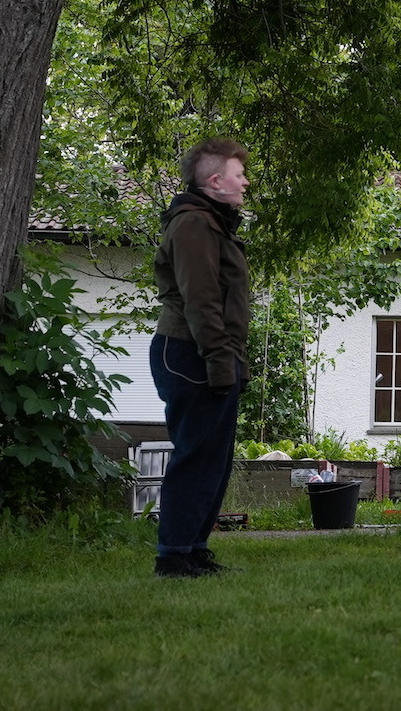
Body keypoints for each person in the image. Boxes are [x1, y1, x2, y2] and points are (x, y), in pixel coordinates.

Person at [150, 137, 251, 578]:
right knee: (196, 454)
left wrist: (231, 360)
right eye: (238, 174)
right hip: (189, 354)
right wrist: (219, 363)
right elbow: (202, 301)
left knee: (214, 456)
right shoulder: (193, 224)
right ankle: (173, 556)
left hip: (208, 353)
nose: (245, 182)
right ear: (215, 181)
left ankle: (193, 549)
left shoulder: (212, 223)